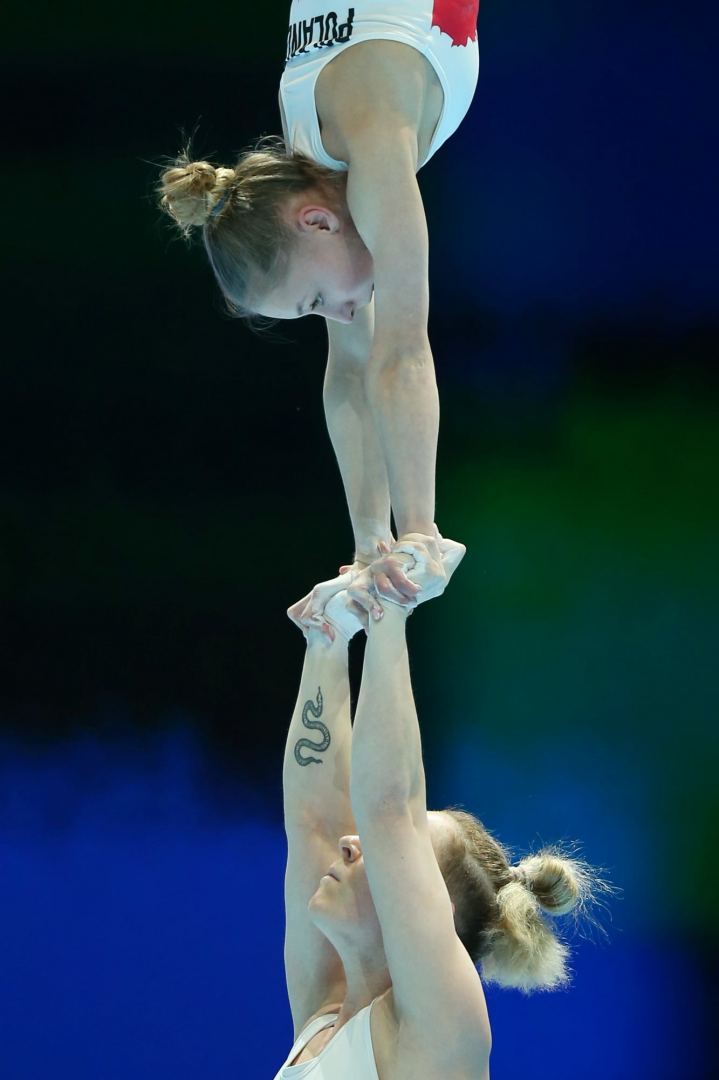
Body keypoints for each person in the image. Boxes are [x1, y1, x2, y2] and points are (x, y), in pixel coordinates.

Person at [157, 2, 483, 620]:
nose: (337, 313)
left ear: (316, 222)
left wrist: (419, 531)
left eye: (314, 300)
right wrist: (370, 544)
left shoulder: (373, 139)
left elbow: (402, 350)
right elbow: (352, 369)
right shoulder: (309, 159)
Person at [278, 536, 611, 1077]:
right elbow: (314, 824)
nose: (354, 841)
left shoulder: (441, 1030)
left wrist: (389, 614)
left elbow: (390, 810)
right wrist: (328, 636)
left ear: (433, 912)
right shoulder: (324, 1018)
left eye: (393, 855)